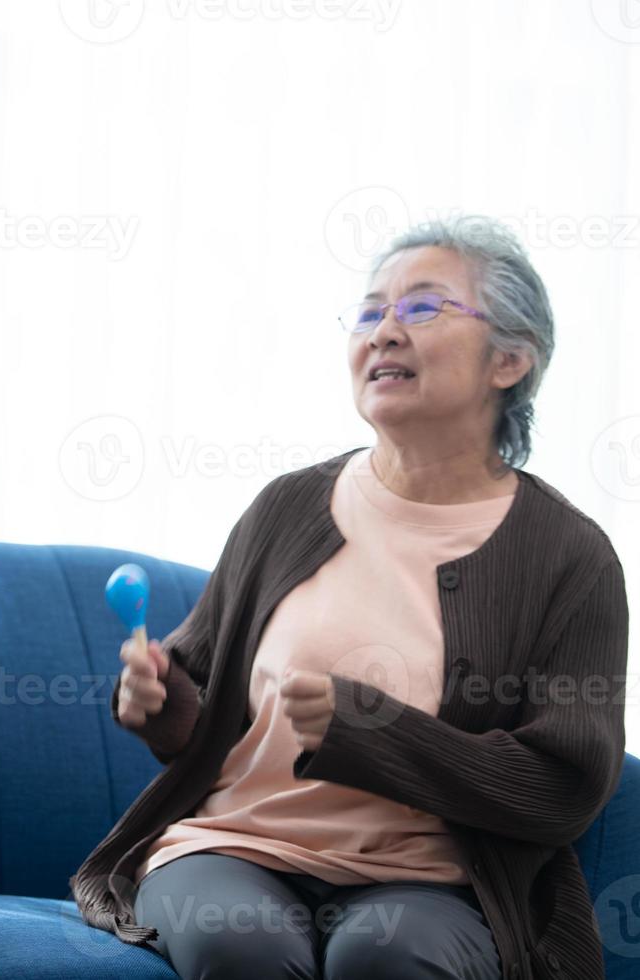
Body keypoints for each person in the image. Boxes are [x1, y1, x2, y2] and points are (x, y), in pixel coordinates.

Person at [73, 217, 627, 980]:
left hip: (432, 879)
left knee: (390, 957)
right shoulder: (287, 508)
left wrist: (370, 731)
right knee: (242, 945)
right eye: (370, 313)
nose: (385, 331)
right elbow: (198, 705)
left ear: (510, 359)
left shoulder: (571, 557)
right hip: (237, 845)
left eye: (422, 308)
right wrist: (163, 701)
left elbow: (564, 786)